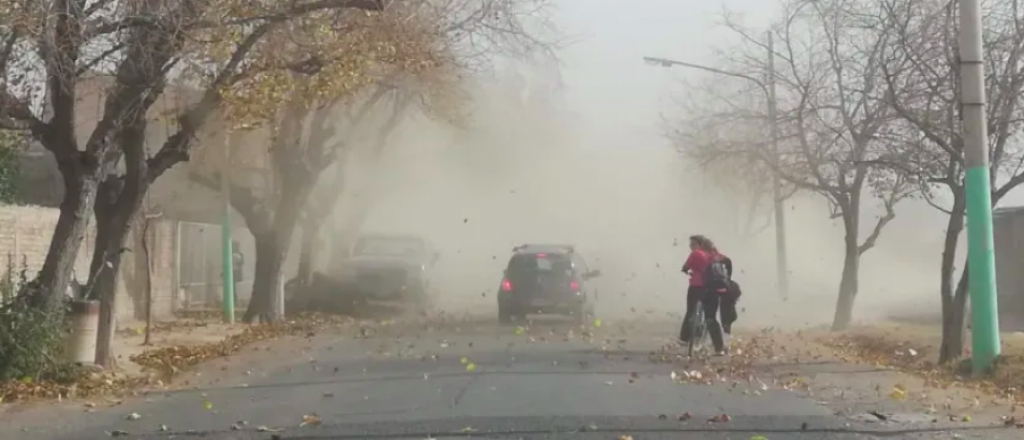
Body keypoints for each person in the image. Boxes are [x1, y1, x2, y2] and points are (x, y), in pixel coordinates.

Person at [679, 235, 727, 354]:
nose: (691, 246)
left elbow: (685, 268)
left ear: (700, 244)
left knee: (691, 311)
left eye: (693, 244)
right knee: (711, 318)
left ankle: (684, 338)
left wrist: (690, 272)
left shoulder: (696, 254)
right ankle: (719, 347)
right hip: (713, 289)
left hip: (697, 287)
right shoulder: (715, 255)